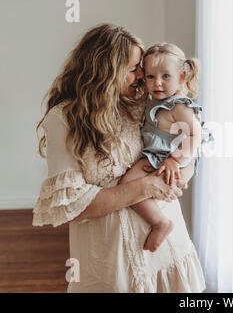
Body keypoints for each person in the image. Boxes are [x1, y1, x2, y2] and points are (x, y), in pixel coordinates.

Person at [32, 24, 206, 293]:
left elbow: (189, 142)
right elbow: (74, 206)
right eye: (134, 68)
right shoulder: (63, 119)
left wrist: (178, 176)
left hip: (165, 254)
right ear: (106, 71)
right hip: (110, 263)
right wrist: (144, 187)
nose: (141, 76)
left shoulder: (142, 104)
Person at [120, 42, 212, 253]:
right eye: (151, 76)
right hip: (158, 155)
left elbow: (195, 134)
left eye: (165, 76)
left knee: (128, 184)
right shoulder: (154, 100)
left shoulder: (178, 105)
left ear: (181, 77)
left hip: (165, 156)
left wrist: (175, 160)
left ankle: (160, 222)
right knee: (134, 185)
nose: (157, 83)